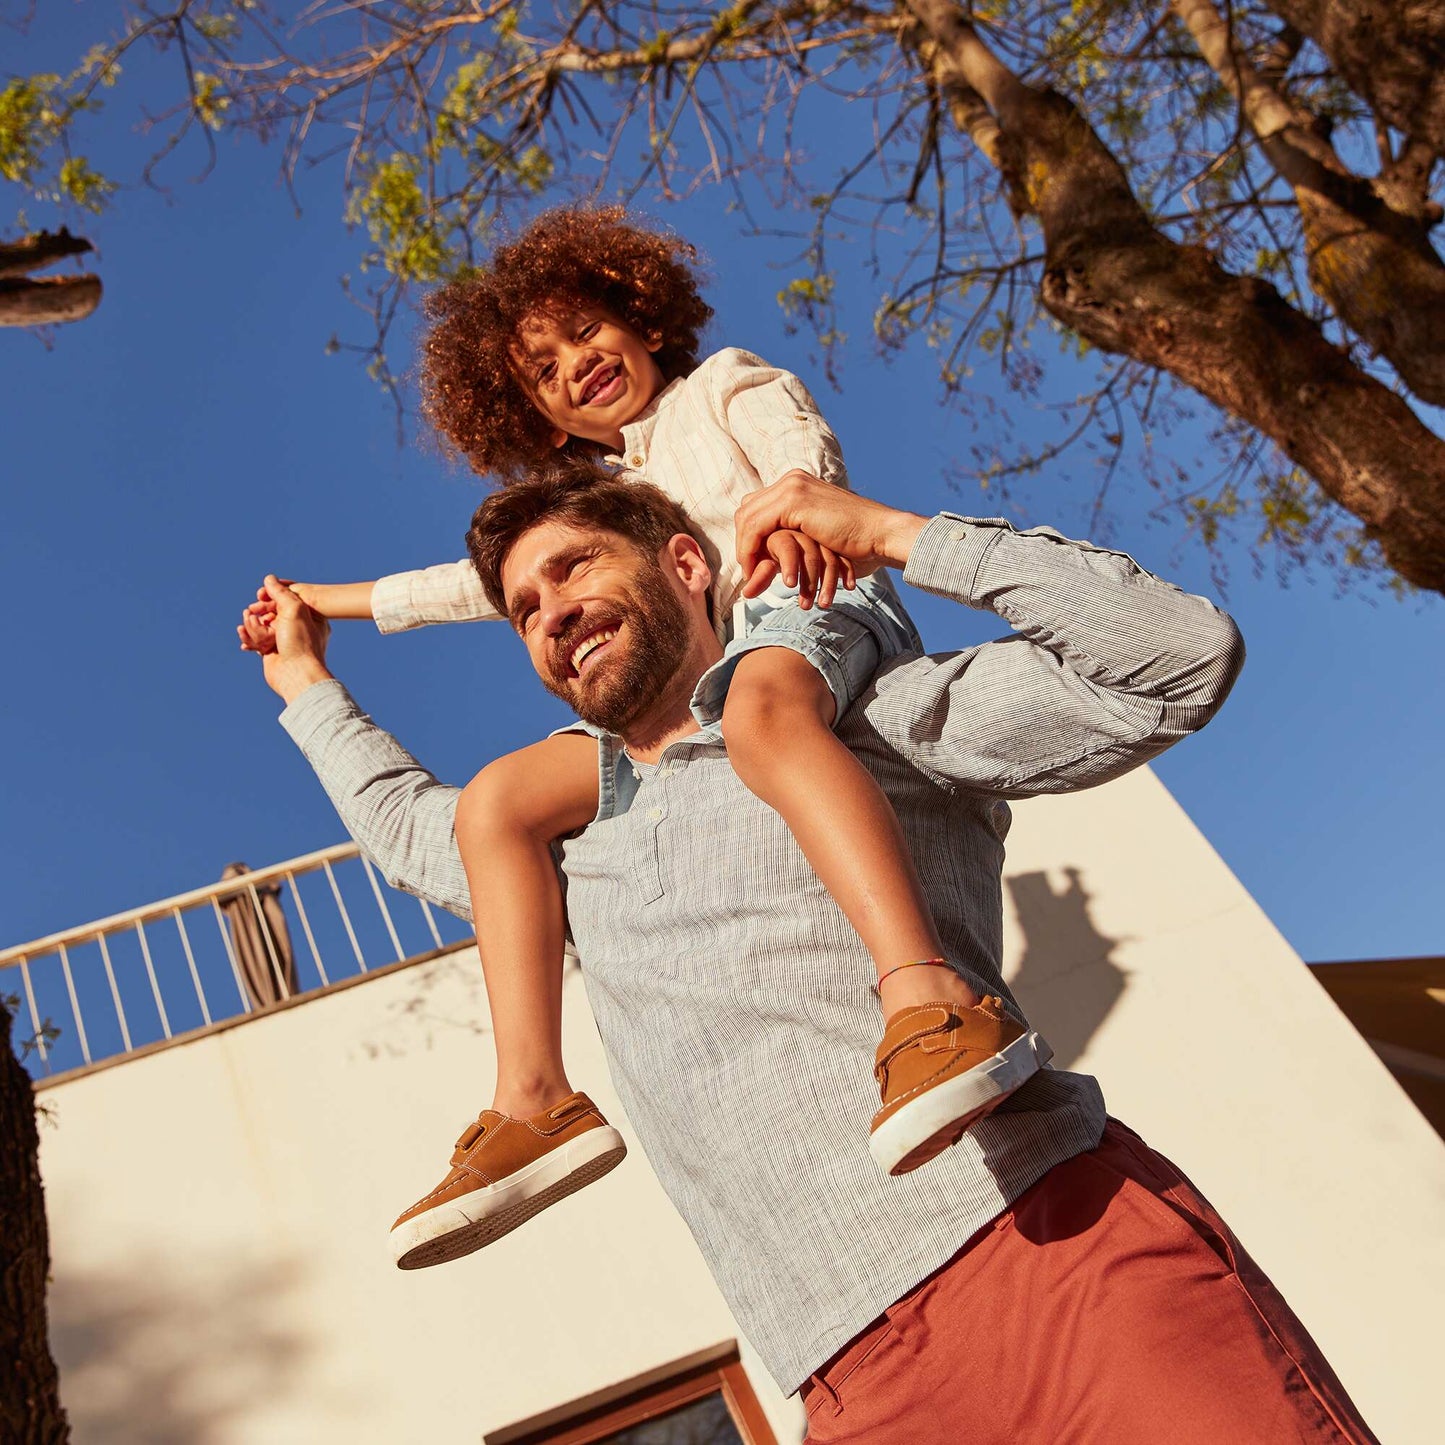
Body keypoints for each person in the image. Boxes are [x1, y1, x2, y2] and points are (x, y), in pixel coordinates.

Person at [244, 466, 1376, 1440]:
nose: (550, 611)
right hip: (845, 1380)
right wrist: (302, 681)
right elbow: (403, 828)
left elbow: (1173, 658)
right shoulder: (561, 858)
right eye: (524, 607)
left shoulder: (869, 716)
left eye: (575, 567)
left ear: (685, 563)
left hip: (1055, 1259)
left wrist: (889, 532)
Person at [244, 206, 1045, 1271]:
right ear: (529, 411)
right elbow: (462, 587)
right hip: (690, 688)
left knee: (762, 708)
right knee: (497, 802)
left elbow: (798, 460)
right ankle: (534, 1096)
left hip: (806, 606)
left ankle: (927, 995)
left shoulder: (723, 385)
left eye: (584, 333)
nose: (575, 368)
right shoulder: (598, 503)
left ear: (641, 314)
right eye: (543, 370)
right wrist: (315, 602)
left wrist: (800, 510)